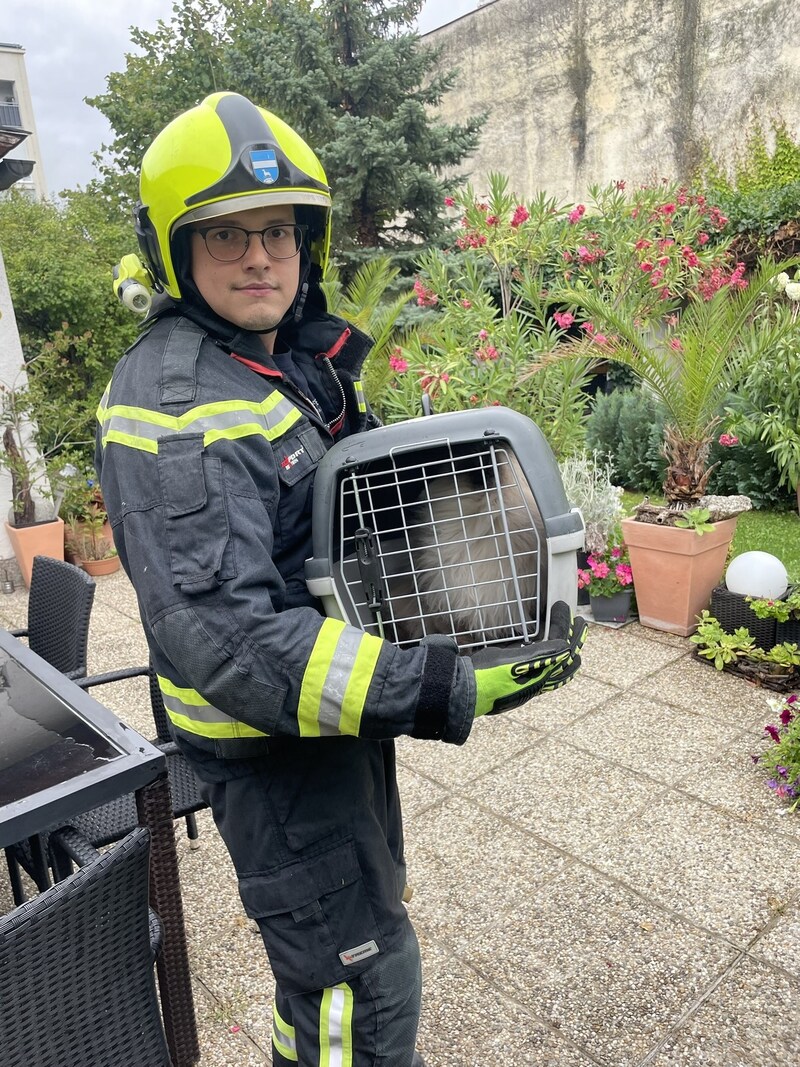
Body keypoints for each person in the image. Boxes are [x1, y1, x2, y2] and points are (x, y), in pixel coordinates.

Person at [97, 91, 586, 1067]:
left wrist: (499, 550)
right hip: (271, 751)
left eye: (277, 231)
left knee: (361, 929)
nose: (259, 258)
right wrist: (434, 681)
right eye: (225, 235)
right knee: (354, 982)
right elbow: (228, 641)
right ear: (174, 250)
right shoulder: (179, 405)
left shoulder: (277, 360)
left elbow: (342, 503)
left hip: (327, 727)